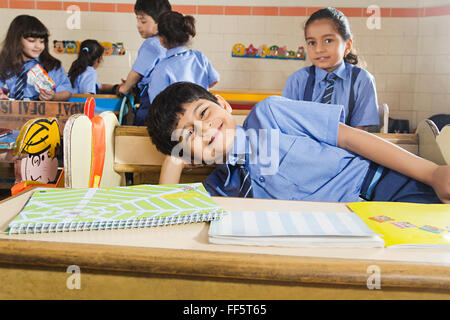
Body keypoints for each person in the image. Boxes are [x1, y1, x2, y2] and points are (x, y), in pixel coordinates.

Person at [146, 82, 450, 204]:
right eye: (187, 136)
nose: (203, 129)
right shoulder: (222, 187)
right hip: (341, 234)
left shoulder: (270, 113)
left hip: (384, 187)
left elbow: (351, 138)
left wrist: (432, 174)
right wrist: (173, 162)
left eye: (203, 112)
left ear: (223, 105)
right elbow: (173, 216)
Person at [282, 7, 379, 130]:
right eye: (312, 42)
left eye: (328, 40)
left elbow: (359, 134)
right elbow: (287, 126)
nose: (319, 49)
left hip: (347, 148)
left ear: (347, 45)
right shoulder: (297, 80)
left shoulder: (362, 80)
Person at [139, 11, 219, 125]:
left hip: (179, 124)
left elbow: (156, 104)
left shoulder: (162, 68)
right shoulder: (199, 57)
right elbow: (215, 80)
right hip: (204, 116)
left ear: (161, 39)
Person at [0, 15, 71, 101]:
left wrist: (54, 96)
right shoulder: (3, 64)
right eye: (31, 41)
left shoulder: (51, 65)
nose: (38, 46)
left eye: (42, 41)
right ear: (16, 40)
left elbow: (66, 92)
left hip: (42, 113)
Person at [117, 0, 171, 112]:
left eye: (143, 21)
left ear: (159, 22)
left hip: (150, 99)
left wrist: (125, 88)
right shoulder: (169, 43)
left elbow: (136, 73)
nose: (138, 25)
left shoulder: (151, 44)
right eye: (137, 20)